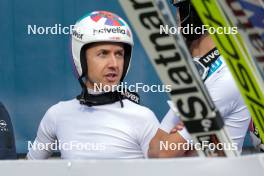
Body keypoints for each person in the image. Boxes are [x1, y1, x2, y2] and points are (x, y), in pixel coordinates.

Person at [27, 11, 159, 159]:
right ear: (80, 58)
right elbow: (25, 169)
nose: (114, 64)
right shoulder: (57, 114)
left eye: (119, 54)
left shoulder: (143, 117)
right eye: (103, 53)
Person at [148, 0, 251, 157]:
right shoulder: (203, 74)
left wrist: (178, 139)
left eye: (179, 9)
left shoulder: (227, 78)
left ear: (195, 13)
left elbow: (164, 152)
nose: (176, 19)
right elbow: (153, 149)